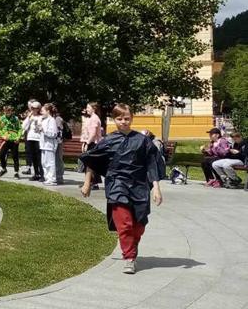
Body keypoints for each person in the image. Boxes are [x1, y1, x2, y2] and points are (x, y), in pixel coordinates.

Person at [80, 103, 163, 274]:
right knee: (124, 224)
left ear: (132, 118)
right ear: (114, 120)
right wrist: (87, 183)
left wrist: (156, 188)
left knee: (139, 225)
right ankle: (129, 258)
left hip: (139, 186)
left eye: (126, 118)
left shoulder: (143, 140)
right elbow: (91, 161)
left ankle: (132, 245)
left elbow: (152, 163)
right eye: (119, 119)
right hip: (117, 185)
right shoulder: (108, 140)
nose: (123, 122)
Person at [80, 103, 104, 189]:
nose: (87, 109)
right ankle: (90, 182)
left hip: (93, 143)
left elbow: (93, 133)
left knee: (92, 163)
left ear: (94, 109)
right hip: (90, 142)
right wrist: (84, 142)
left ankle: (94, 183)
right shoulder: (91, 118)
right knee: (88, 163)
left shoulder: (94, 118)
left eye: (88, 107)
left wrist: (87, 143)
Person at [0, 105, 23, 178]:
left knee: (15, 156)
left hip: (14, 140)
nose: (7, 112)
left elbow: (19, 129)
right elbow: (0, 129)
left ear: (11, 111)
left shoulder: (15, 118)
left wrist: (18, 138)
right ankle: (4, 169)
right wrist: (2, 136)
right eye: (6, 111)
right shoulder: (2, 118)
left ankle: (16, 172)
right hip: (6, 140)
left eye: (9, 110)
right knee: (2, 155)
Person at [22, 101, 45, 181]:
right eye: (32, 108)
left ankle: (42, 174)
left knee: (39, 157)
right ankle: (36, 173)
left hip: (38, 138)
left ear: (39, 108)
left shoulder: (41, 117)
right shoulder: (30, 117)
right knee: (33, 157)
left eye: (36, 108)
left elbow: (42, 127)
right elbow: (23, 127)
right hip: (30, 138)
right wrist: (28, 117)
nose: (34, 109)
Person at [39, 103, 61, 185]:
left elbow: (53, 134)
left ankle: (52, 179)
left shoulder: (52, 120)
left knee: (50, 163)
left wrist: (43, 130)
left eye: (43, 111)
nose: (41, 112)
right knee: (44, 163)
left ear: (48, 111)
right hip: (43, 145)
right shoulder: (44, 120)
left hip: (49, 145)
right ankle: (47, 178)